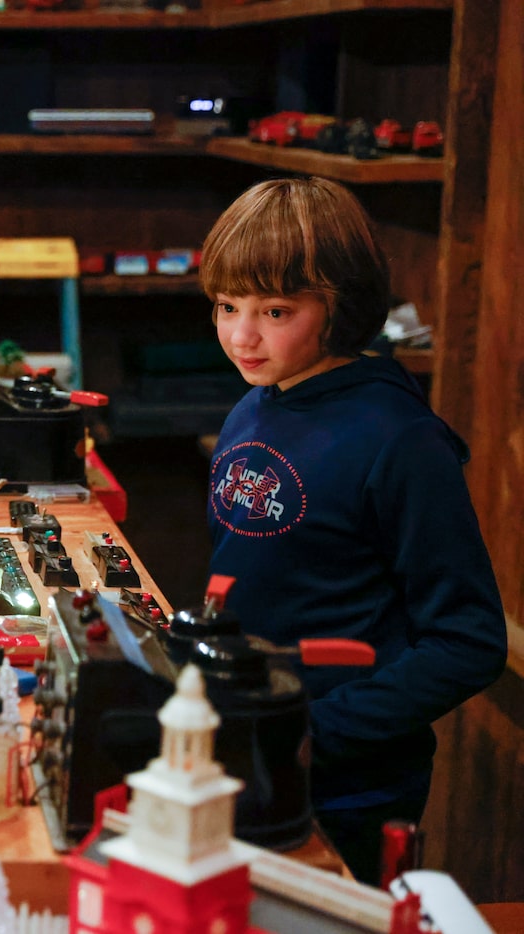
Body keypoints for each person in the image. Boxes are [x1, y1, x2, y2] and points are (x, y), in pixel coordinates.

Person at [199, 177, 506, 884]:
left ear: (339, 305)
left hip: (348, 785)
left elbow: (469, 641)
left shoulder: (401, 442)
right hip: (247, 753)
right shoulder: (258, 402)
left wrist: (318, 733)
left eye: (275, 309)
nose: (242, 335)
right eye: (226, 306)